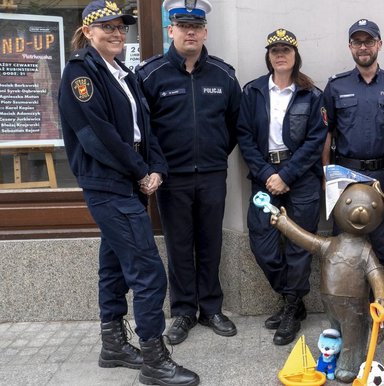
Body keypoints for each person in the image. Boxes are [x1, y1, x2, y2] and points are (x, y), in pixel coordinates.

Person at [58, 1, 199, 385]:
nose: (117, 34)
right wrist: (141, 172)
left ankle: (114, 344)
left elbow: (144, 129)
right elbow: (99, 137)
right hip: (109, 183)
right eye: (107, 27)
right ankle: (154, 359)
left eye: (121, 27)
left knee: (115, 264)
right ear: (88, 32)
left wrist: (157, 168)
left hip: (132, 178)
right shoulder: (80, 75)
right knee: (150, 272)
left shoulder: (124, 73)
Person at [136, 0, 241, 345]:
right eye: (183, 26)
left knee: (211, 242)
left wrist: (212, 155)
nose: (190, 32)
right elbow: (143, 129)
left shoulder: (224, 75)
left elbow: (234, 124)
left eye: (196, 26)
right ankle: (182, 311)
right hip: (171, 178)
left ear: (205, 31)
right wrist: (156, 167)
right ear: (171, 31)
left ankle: (211, 308)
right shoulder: (151, 75)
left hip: (212, 174)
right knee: (179, 245)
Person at [236, 28, 327, 346]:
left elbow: (316, 141)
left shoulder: (312, 95)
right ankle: (295, 300)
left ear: (295, 56)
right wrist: (265, 172)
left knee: (299, 245)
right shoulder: (253, 92)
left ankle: (290, 308)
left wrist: (286, 175)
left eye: (286, 50)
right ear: (268, 56)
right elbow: (244, 136)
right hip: (264, 175)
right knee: (263, 244)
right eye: (274, 50)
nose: (280, 54)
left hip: (300, 179)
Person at [322, 19, 384, 317]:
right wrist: (327, 177)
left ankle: (383, 314)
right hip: (346, 178)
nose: (363, 47)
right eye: (357, 42)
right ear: (350, 47)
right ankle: (347, 313)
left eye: (368, 41)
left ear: (379, 44)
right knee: (345, 251)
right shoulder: (336, 86)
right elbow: (327, 133)